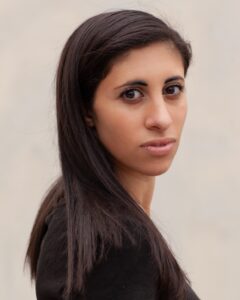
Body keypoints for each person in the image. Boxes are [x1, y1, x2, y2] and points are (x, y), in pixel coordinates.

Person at [24, 9, 200, 300]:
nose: (161, 118)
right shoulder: (113, 241)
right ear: (86, 111)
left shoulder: (77, 212)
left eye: (172, 89)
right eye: (132, 94)